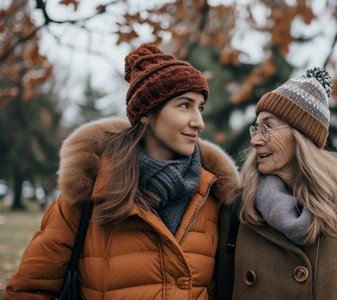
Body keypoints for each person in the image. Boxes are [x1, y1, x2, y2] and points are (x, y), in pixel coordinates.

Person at [5, 43, 239, 300]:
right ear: (147, 113)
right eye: (185, 105)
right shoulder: (89, 192)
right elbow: (30, 290)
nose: (199, 121)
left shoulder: (213, 195)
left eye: (200, 107)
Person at [215, 67, 337, 299]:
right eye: (256, 128)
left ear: (301, 136)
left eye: (267, 127)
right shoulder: (237, 210)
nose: (255, 140)